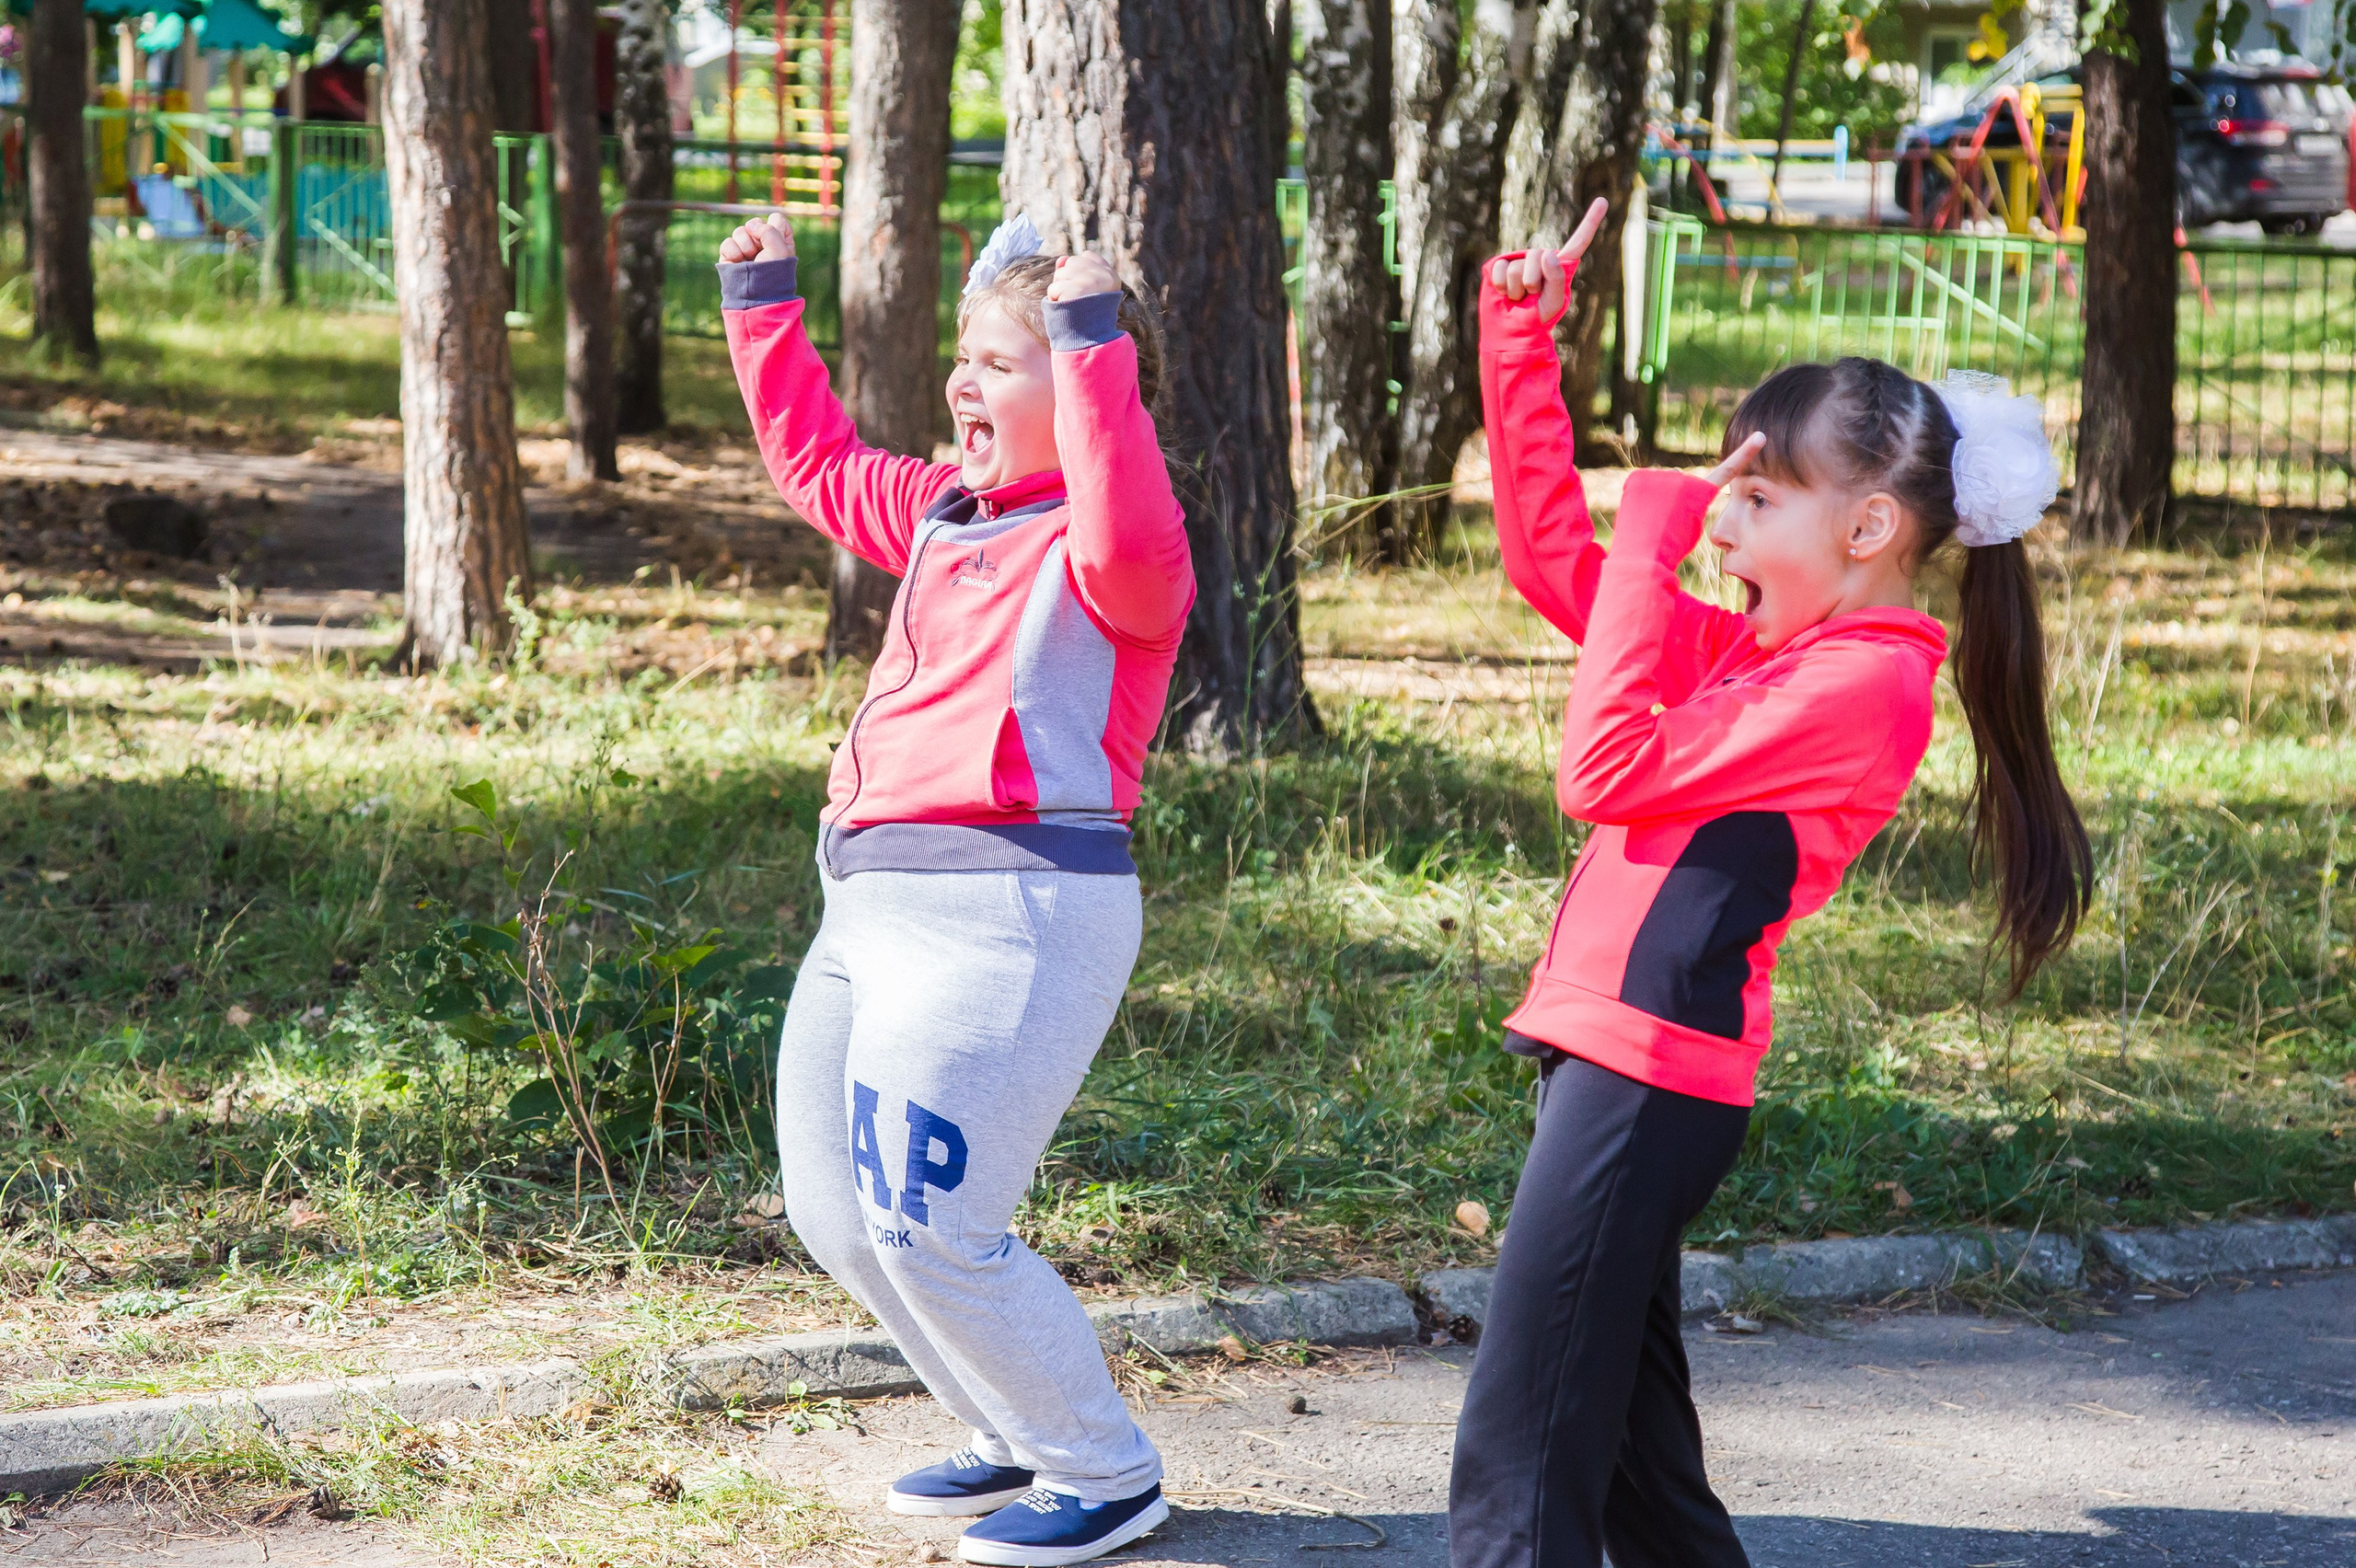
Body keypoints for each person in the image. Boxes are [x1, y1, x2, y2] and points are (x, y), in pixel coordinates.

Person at [1448, 201, 2093, 1568]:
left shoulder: (1858, 687)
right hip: (1620, 1065)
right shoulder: (1770, 659)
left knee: (1522, 1458)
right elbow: (1559, 565)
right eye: (1730, 486)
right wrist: (1521, 341)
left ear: (1867, 526)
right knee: (1631, 1467)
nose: (1723, 511)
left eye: (1760, 490)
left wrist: (1653, 531)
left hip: (1648, 1080)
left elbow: (1602, 768)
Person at [715, 211, 1191, 1568]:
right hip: (867, 905)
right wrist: (761, 304)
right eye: (962, 362)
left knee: (934, 1225)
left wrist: (1095, 343)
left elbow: (1132, 519)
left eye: (997, 363)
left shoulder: (1119, 556)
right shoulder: (943, 509)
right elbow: (817, 461)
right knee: (835, 1212)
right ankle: (1009, 1422)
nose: (962, 386)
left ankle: (1104, 1471)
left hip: (1017, 911)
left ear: (1089, 391)